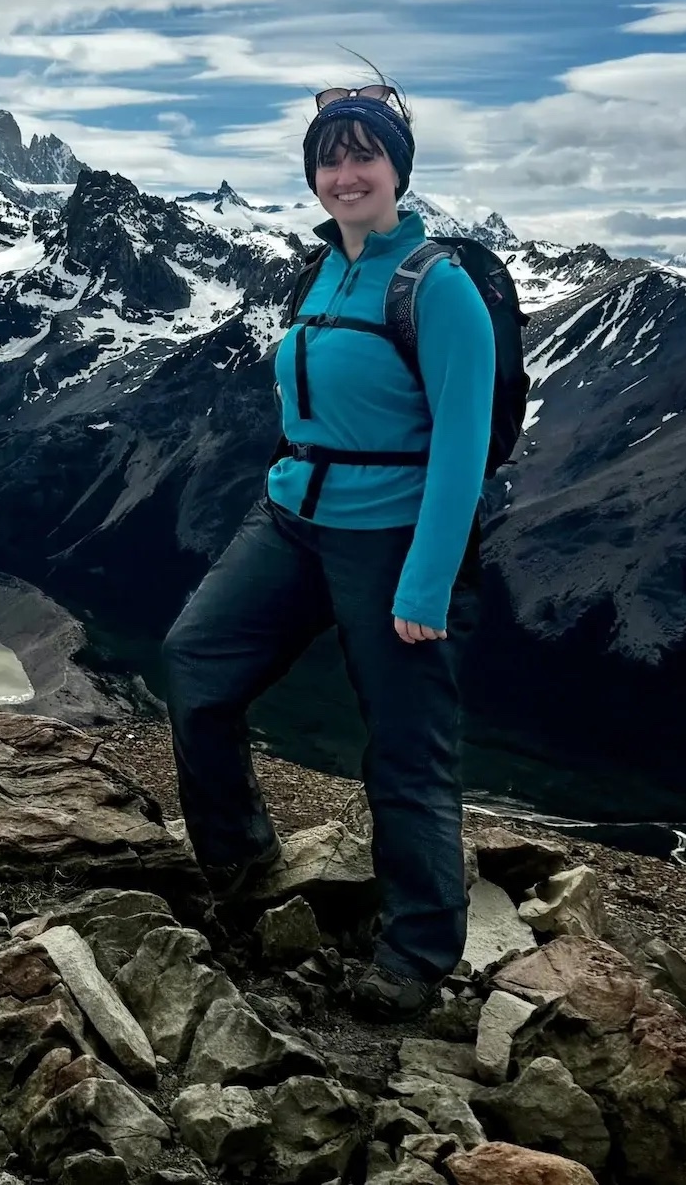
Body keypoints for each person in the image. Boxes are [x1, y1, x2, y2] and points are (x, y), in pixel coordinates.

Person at [161, 80, 494, 1018]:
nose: (346, 175)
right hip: (292, 515)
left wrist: (425, 582)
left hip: (390, 532)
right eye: (330, 158)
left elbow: (463, 447)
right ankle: (239, 859)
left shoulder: (440, 286)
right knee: (195, 661)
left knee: (406, 746)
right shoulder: (323, 269)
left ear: (398, 168)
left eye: (364, 155)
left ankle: (418, 951)